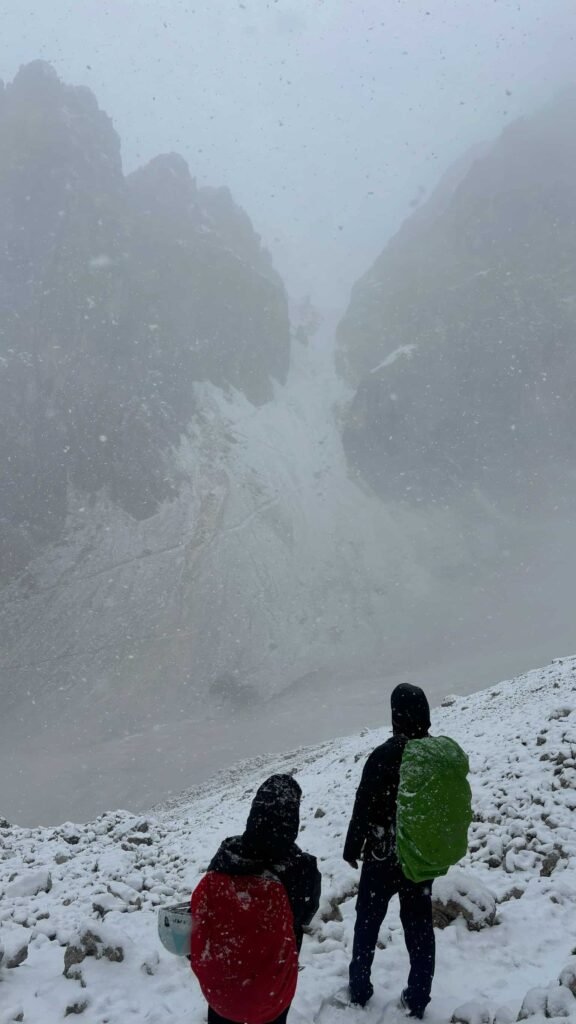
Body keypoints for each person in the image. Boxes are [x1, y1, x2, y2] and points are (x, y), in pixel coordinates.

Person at [192, 773, 321, 1024]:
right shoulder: (302, 868)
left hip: (223, 992)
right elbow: (306, 914)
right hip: (271, 992)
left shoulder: (226, 856)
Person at [343, 683, 436, 1019]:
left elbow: (362, 805)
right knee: (419, 927)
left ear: (396, 715)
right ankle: (418, 997)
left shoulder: (383, 755)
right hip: (419, 858)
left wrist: (352, 847)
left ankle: (359, 987)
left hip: (381, 855)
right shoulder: (434, 757)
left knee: (367, 922)